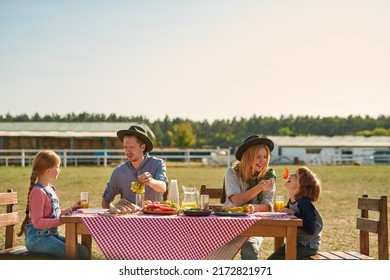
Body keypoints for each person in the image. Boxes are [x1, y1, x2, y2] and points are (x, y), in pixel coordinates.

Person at [17, 150, 89, 259]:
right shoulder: (38, 192)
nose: (59, 170)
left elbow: (53, 213)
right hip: (37, 239)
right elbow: (37, 223)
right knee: (69, 253)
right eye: (57, 167)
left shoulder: (51, 189)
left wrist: (70, 209)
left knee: (82, 251)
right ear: (48, 170)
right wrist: (61, 220)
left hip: (50, 236)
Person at [222, 134, 276, 260]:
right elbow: (236, 200)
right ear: (248, 157)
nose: (262, 161)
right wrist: (259, 188)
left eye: (265, 157)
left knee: (249, 248)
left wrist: (253, 207)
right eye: (258, 157)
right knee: (208, 247)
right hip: (229, 225)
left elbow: (268, 206)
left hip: (254, 226)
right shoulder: (232, 173)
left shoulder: (268, 175)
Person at [101, 125, 168, 208]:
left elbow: (163, 187)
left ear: (142, 147)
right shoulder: (118, 172)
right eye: (125, 147)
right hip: (128, 219)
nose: (128, 151)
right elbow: (105, 201)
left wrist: (150, 181)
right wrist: (117, 211)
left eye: (132, 147)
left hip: (153, 218)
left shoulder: (158, 164)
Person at [267, 166, 323, 260]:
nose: (290, 175)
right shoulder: (292, 201)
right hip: (295, 243)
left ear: (301, 186)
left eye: (296, 176)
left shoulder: (304, 202)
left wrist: (293, 213)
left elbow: (311, 229)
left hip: (306, 246)